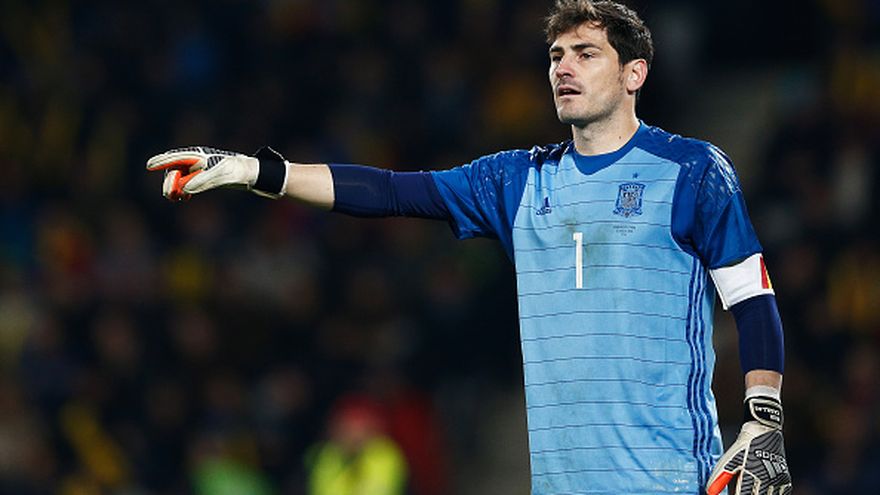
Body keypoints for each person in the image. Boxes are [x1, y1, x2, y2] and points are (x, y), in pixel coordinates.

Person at [146, 1, 791, 493]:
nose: (563, 67)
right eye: (555, 56)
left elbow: (752, 296)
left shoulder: (691, 170)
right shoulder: (517, 180)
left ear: (634, 73)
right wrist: (258, 172)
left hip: (669, 478)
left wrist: (763, 420)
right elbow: (392, 191)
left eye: (585, 53)